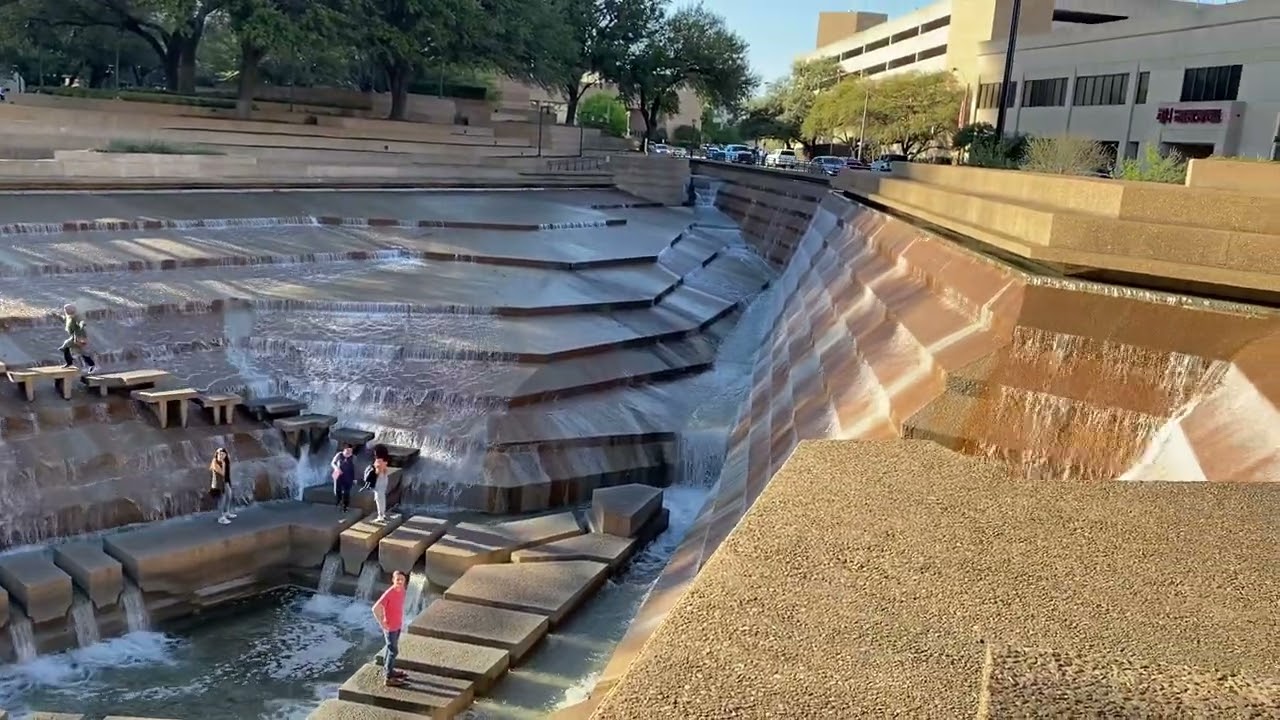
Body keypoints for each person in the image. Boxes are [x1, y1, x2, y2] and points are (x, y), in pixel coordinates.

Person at [372, 570, 409, 687]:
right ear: (393, 580)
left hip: (397, 625)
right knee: (393, 651)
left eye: (402, 579)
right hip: (390, 628)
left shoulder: (402, 591)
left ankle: (389, 670)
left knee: (390, 649)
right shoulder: (389, 593)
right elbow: (375, 608)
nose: (400, 582)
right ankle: (388, 678)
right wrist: (382, 623)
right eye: (397, 579)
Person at [59, 304, 96, 371]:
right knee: (78, 351)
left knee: (69, 347)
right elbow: (65, 319)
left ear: (70, 310)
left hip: (79, 336)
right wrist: (55, 316)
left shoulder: (76, 317)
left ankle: (91, 365)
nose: (65, 311)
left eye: (66, 310)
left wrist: (82, 324)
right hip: (74, 336)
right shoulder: (69, 317)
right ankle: (70, 362)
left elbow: (80, 322)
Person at [209, 447, 236, 525]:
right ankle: (220, 517)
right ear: (216, 455)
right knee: (222, 500)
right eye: (219, 454)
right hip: (218, 484)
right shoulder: (214, 462)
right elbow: (222, 473)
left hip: (225, 482)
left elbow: (227, 474)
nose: (221, 456)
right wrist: (223, 464)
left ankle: (226, 512)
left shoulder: (226, 461)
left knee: (229, 496)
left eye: (223, 454)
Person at [368, 444, 392, 523]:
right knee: (382, 497)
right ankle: (383, 514)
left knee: (378, 498)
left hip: (379, 480)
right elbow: (385, 470)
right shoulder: (385, 460)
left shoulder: (378, 461)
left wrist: (373, 472)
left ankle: (380, 516)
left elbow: (377, 472)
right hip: (385, 478)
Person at [330, 443, 357, 513]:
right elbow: (333, 463)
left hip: (348, 476)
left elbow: (355, 468)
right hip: (338, 474)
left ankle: (345, 506)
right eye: (347, 450)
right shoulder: (339, 455)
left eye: (350, 450)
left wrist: (355, 478)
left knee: (346, 492)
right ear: (344, 450)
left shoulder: (354, 457)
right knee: (337, 490)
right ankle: (338, 501)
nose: (348, 452)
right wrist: (336, 468)